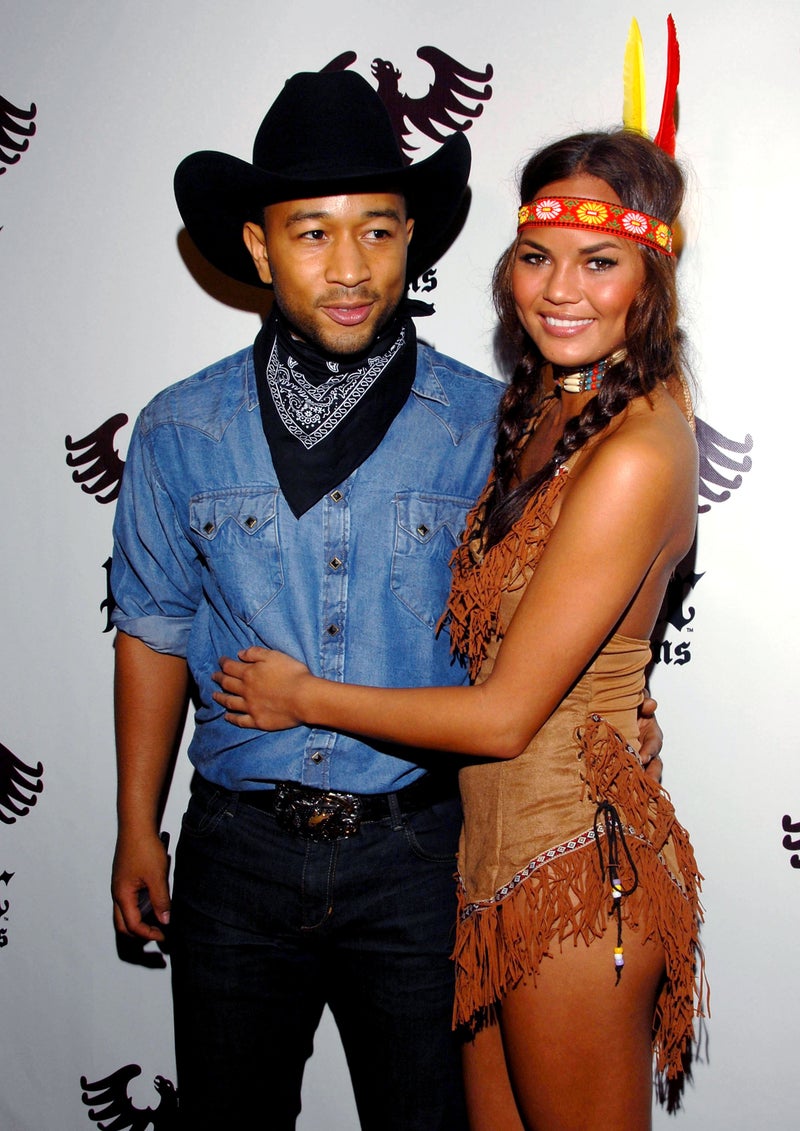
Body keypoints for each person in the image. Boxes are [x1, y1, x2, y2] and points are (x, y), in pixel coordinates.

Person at [110, 69, 662, 1129]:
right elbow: (153, 626)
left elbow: (557, 618)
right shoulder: (179, 428)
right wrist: (139, 823)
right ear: (260, 248)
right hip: (235, 851)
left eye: (376, 230)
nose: (350, 267)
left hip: (421, 855)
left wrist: (617, 723)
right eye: (312, 234)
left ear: (413, 240)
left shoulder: (494, 427)